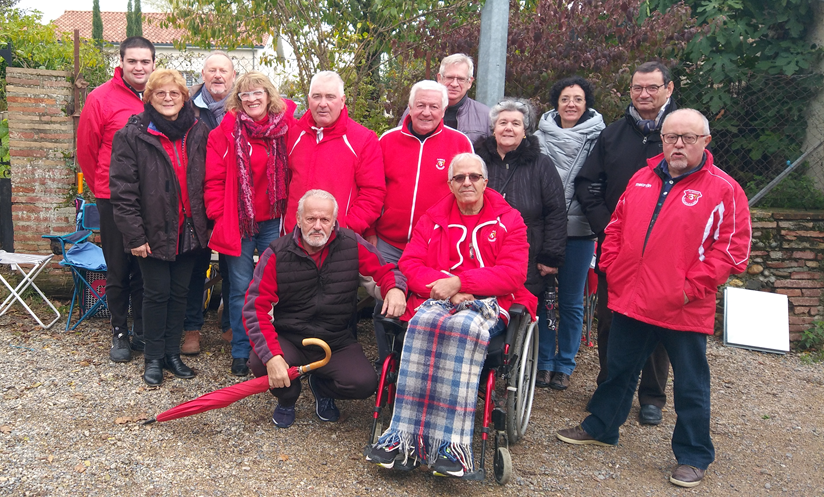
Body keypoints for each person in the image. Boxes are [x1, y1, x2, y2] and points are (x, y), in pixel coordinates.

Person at [556, 109, 751, 488]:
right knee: (618, 370)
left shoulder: (724, 189)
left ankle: (693, 456)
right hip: (634, 298)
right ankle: (602, 427)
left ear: (705, 142)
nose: (678, 144)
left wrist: (688, 288)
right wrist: (612, 266)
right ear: (661, 139)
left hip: (683, 306)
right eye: (671, 137)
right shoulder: (642, 177)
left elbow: (732, 252)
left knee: (691, 385)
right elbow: (615, 226)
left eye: (688, 138)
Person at [365, 153, 535, 477]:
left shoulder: (509, 220)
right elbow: (410, 264)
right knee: (423, 326)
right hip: (437, 299)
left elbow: (514, 273)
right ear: (450, 183)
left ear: (486, 181)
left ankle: (452, 446)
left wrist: (463, 281)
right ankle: (403, 437)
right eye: (459, 178)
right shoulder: (433, 218)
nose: (467, 183)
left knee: (461, 328)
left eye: (474, 177)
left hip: (488, 302)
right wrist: (447, 288)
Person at [243, 190, 407, 428]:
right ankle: (287, 399)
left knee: (364, 383)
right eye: (310, 219)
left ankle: (322, 387)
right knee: (261, 361)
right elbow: (255, 308)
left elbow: (386, 272)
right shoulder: (277, 253)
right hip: (290, 337)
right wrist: (272, 356)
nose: (317, 226)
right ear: (298, 220)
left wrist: (394, 288)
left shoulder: (352, 244)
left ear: (334, 221)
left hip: (335, 338)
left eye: (325, 220)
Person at [574, 61, 676, 425]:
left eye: (651, 88)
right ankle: (610, 387)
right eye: (637, 88)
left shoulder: (682, 133)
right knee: (610, 319)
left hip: (666, 250)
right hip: (618, 246)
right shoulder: (613, 135)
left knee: (657, 323)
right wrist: (605, 225)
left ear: (669, 89)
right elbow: (587, 184)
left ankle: (652, 395)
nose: (643, 94)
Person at [109, 69, 210, 386]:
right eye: (160, 93)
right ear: (148, 97)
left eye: (175, 93)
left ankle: (171, 354)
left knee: (179, 294)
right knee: (156, 294)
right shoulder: (132, 135)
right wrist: (135, 235)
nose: (168, 98)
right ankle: (153, 358)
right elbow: (122, 191)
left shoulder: (198, 130)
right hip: (151, 232)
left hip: (188, 230)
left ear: (184, 97)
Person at [367, 80, 473, 360]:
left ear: (444, 109)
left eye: (434, 106)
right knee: (386, 300)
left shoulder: (459, 143)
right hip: (389, 240)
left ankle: (421, 362)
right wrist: (371, 230)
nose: (426, 112)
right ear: (410, 107)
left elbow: (468, 194)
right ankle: (386, 363)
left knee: (429, 302)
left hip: (434, 244)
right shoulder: (387, 140)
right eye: (421, 105)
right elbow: (373, 188)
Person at [204, 71, 296, 377]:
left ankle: (271, 349)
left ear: (269, 96)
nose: (252, 99)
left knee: (273, 285)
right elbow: (213, 180)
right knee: (241, 287)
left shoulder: (285, 129)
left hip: (274, 219)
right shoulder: (225, 133)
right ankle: (241, 351)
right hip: (239, 221)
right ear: (238, 100)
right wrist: (219, 214)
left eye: (258, 93)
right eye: (245, 95)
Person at [475, 98, 568, 387]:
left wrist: (551, 256)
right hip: (482, 249)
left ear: (525, 131)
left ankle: (533, 363)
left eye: (516, 123)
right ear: (492, 128)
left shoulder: (541, 164)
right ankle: (483, 362)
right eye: (503, 122)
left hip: (528, 250)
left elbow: (556, 212)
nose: (508, 128)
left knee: (527, 307)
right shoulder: (478, 161)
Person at [77, 36, 155, 363]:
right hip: (113, 199)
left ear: (153, 64)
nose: (139, 67)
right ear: (121, 62)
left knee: (145, 269)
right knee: (118, 269)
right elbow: (86, 150)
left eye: (145, 61)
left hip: (151, 200)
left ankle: (141, 331)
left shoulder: (161, 96)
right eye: (132, 61)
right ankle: (119, 332)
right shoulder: (101, 99)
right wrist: (102, 189)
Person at [533, 77, 606, 390]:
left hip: (579, 229)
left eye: (578, 98)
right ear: (556, 102)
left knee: (572, 299)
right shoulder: (537, 137)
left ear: (586, 103)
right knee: (545, 297)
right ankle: (545, 360)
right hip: (546, 228)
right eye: (565, 98)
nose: (571, 104)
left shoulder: (600, 138)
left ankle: (566, 363)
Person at [181, 51, 238, 356]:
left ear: (233, 76)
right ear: (202, 74)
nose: (218, 76)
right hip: (195, 202)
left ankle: (229, 321)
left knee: (233, 266)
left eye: (223, 71)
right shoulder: (187, 109)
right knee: (196, 266)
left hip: (231, 202)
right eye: (212, 70)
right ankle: (192, 328)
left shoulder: (243, 108)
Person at [283, 71, 385, 236]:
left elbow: (372, 193)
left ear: (342, 101)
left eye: (330, 97)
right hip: (294, 237)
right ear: (309, 100)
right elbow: (284, 184)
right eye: (317, 96)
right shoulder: (293, 134)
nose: (323, 103)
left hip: (337, 239)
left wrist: (345, 229)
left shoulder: (363, 140)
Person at [397, 54, 490, 142]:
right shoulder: (416, 110)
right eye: (449, 77)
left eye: (461, 79)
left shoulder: (485, 116)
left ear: (469, 82)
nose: (454, 84)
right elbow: (399, 141)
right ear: (439, 78)